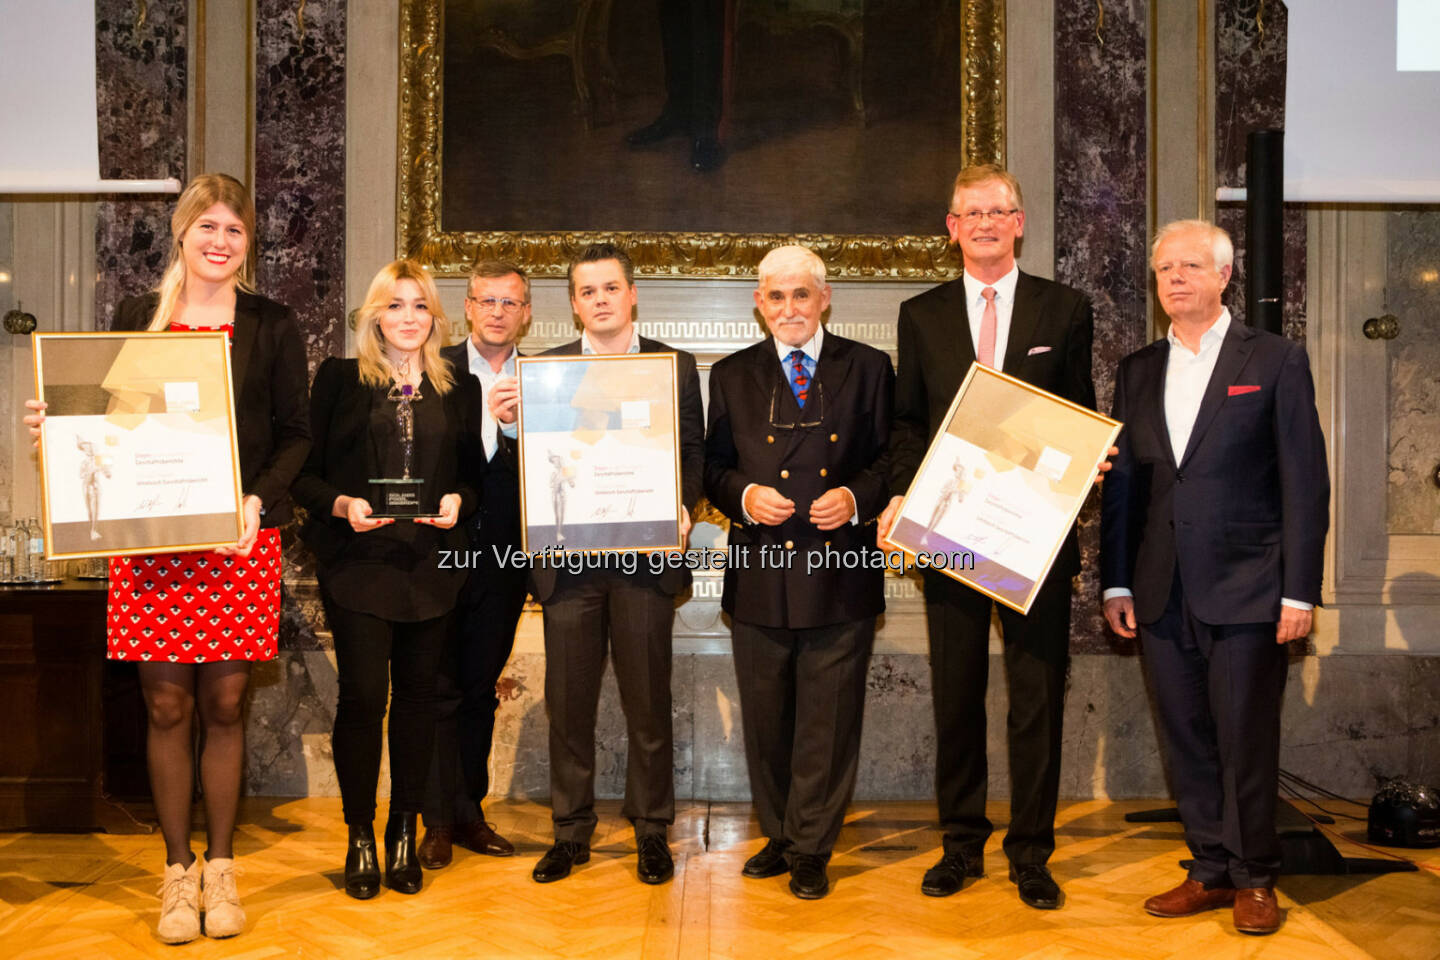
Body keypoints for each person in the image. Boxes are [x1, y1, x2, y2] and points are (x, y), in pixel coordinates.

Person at [23, 173, 310, 943]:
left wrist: (256, 501)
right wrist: (54, 427)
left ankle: (222, 869)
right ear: (181, 233)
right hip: (151, 547)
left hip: (236, 542)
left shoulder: (272, 324)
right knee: (165, 706)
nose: (219, 241)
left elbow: (296, 436)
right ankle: (176, 874)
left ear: (249, 245)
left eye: (235, 230)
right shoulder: (133, 319)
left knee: (223, 705)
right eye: (207, 226)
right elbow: (102, 425)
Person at [877, 163, 1097, 910]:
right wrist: (907, 492)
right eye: (970, 214)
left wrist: (1084, 471)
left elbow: (1081, 418)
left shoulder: (1064, 309)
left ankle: (1031, 853)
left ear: (1020, 221)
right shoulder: (923, 313)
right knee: (957, 698)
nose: (984, 224)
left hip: (1035, 538)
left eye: (998, 211)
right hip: (952, 534)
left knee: (1037, 701)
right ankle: (960, 846)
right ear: (951, 228)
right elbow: (908, 422)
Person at [1100, 219, 1329, 936]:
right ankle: (1208, 868)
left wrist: (1299, 590)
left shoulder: (1276, 359)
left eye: (1191, 266)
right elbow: (1124, 487)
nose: (1174, 279)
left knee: (1244, 738)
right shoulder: (1137, 369)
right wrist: (1115, 582)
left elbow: (1305, 483)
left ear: (1225, 275)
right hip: (1160, 588)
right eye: (1165, 268)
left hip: (1250, 587)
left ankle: (1256, 876)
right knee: (1187, 739)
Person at [495, 242, 704, 885]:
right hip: (570, 563)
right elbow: (528, 469)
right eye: (588, 292)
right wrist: (510, 429)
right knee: (569, 702)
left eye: (611, 288)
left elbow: (692, 449)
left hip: (644, 558)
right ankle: (570, 831)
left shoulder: (672, 365)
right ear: (574, 303)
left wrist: (684, 504)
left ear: (631, 293)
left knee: (648, 701)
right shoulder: (545, 371)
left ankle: (650, 830)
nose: (601, 300)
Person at [291, 260, 486, 900]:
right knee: (364, 699)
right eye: (395, 305)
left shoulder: (458, 387)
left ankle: (404, 830)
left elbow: (472, 479)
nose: (408, 317)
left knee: (419, 701)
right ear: (374, 314)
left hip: (431, 566)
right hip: (360, 568)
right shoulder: (341, 380)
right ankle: (359, 835)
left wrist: (459, 501)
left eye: (421, 306)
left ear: (435, 316)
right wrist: (344, 507)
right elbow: (306, 476)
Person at [703, 244, 893, 899]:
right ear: (760, 304)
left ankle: (812, 847)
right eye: (776, 296)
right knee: (767, 719)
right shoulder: (729, 375)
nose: (789, 308)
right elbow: (712, 467)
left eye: (801, 295)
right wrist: (742, 497)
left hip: (841, 572)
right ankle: (781, 834)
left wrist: (860, 498)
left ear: (825, 297)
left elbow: (891, 459)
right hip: (759, 571)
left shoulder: (869, 368)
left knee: (827, 719)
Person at [418, 260, 533, 868]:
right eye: (486, 301)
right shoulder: (432, 371)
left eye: (509, 303)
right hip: (437, 556)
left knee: (479, 688)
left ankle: (469, 813)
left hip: (505, 560)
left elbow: (559, 468)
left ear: (527, 313)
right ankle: (436, 819)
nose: (496, 312)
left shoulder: (548, 377)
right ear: (466, 309)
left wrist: (517, 434)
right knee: (437, 686)